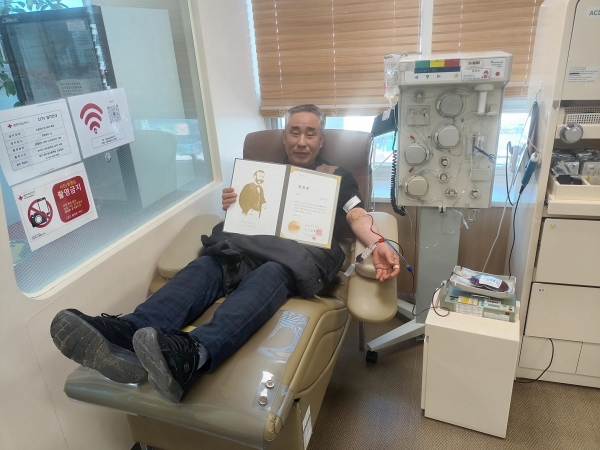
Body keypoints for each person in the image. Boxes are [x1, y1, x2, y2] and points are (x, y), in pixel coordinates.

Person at [50, 104, 400, 403]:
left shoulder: (335, 176)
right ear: (284, 136)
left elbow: (356, 215)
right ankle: (127, 333)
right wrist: (235, 204)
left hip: (293, 257)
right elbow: (243, 213)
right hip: (244, 245)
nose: (301, 141)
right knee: (207, 265)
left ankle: (192, 355)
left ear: (321, 140)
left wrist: (378, 242)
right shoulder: (260, 174)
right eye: (294, 132)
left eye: (311, 134)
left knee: (271, 273)